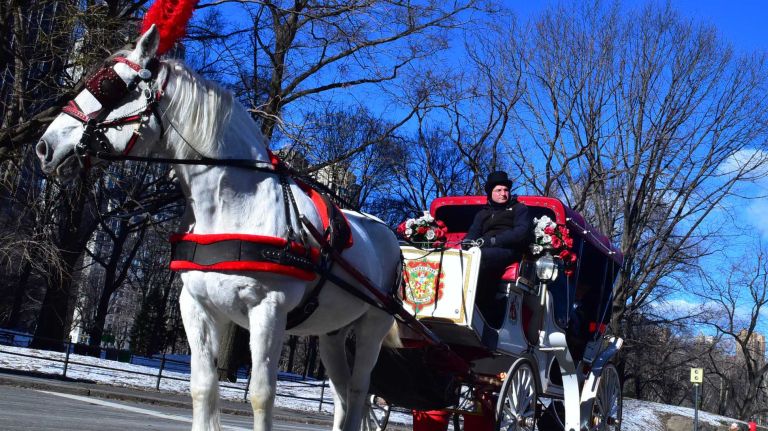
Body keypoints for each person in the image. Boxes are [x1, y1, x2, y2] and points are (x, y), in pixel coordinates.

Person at [463, 170, 532, 326]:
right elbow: (472, 233)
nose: (503, 193)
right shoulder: (482, 214)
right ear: (490, 193)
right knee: (464, 258)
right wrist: (466, 243)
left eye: (506, 190)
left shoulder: (519, 209)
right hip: (482, 249)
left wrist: (494, 241)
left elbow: (521, 233)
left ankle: (482, 307)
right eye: (498, 190)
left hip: (508, 250)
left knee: (481, 257)